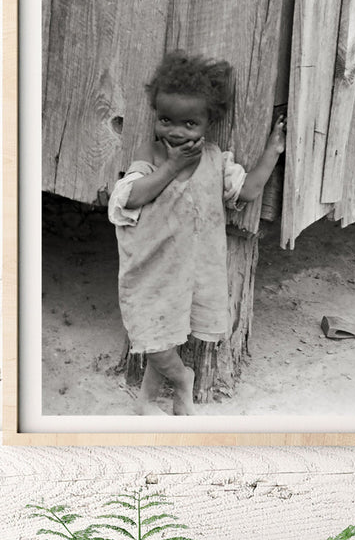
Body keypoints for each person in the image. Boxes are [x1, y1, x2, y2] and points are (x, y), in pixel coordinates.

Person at [107, 51, 284, 415]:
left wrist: (272, 151)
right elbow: (128, 198)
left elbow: (247, 192)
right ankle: (183, 379)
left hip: (195, 268)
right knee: (154, 338)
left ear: (207, 123)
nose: (175, 131)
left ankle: (146, 401)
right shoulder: (151, 155)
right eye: (166, 120)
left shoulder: (216, 160)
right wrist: (171, 167)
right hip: (155, 268)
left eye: (190, 124)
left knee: (171, 332)